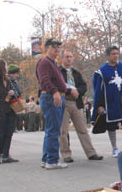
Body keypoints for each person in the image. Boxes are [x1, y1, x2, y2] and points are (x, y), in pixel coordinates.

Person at [37, 38, 78, 170]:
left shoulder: (52, 63)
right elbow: (45, 81)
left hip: (57, 96)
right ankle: (52, 160)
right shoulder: (44, 62)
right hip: (51, 98)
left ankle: (46, 158)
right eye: (53, 47)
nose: (56, 49)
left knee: (51, 130)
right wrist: (55, 92)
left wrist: (67, 90)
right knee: (54, 131)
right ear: (46, 48)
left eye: (57, 47)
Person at [59, 50, 103, 162]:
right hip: (64, 102)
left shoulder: (76, 73)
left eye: (70, 56)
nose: (69, 59)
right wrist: (69, 91)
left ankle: (91, 153)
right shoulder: (58, 72)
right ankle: (66, 154)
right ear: (62, 58)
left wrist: (78, 91)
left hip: (76, 102)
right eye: (66, 57)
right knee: (63, 130)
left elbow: (84, 86)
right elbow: (58, 86)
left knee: (82, 129)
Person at [8, 64, 24, 131]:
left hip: (13, 105)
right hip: (10, 105)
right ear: (12, 73)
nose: (17, 75)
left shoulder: (14, 81)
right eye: (16, 73)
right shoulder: (9, 80)